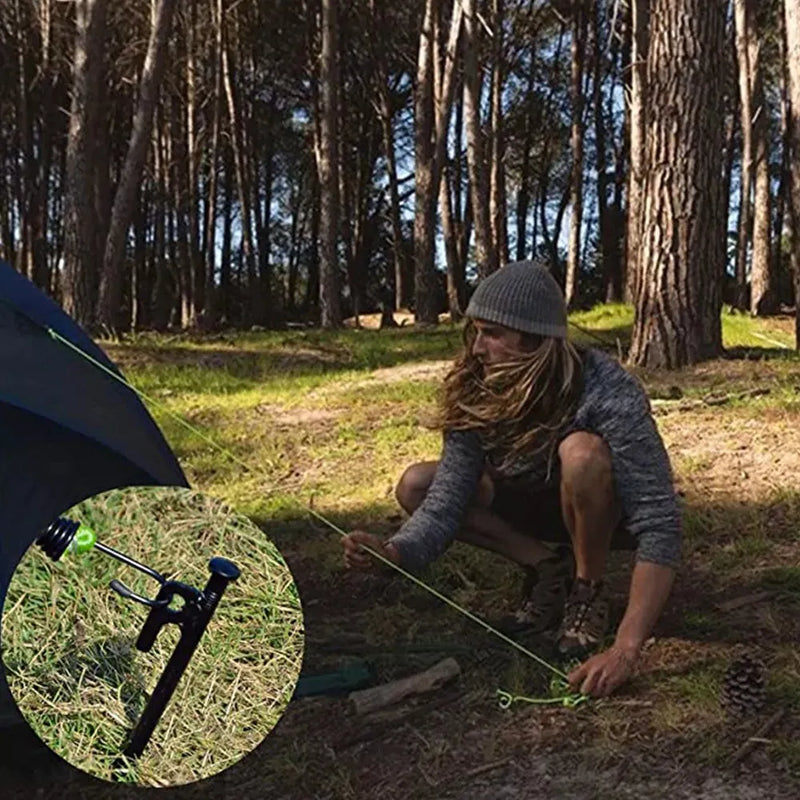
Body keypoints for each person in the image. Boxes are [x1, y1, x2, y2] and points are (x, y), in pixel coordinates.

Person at [342, 259, 681, 698]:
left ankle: (587, 589)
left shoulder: (605, 387)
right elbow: (448, 499)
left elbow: (659, 520)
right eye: (475, 332)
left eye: (492, 333)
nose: (477, 349)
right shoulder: (474, 383)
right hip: (525, 504)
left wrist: (626, 648)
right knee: (417, 484)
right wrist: (395, 552)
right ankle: (547, 568)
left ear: (535, 339)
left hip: (601, 511)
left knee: (582, 454)